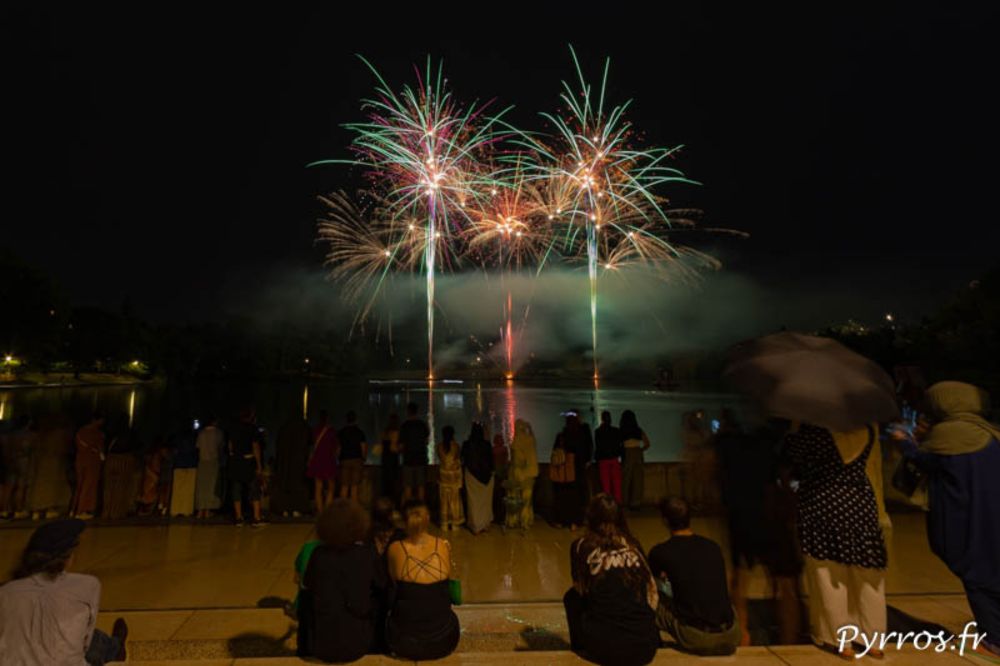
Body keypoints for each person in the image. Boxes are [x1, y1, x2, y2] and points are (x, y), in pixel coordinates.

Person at [890, 381, 1000, 656]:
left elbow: (925, 462)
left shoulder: (947, 435)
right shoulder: (990, 433)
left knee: (973, 571)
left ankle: (992, 638)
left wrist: (906, 444)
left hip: (963, 516)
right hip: (992, 514)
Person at [783, 422, 887, 658]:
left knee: (828, 575)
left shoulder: (813, 432)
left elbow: (792, 457)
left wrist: (795, 429)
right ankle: (874, 640)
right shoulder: (867, 428)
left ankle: (840, 640)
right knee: (868, 574)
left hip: (823, 502)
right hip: (860, 501)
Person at [716, 412, 801, 645]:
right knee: (785, 583)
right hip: (772, 516)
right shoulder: (776, 440)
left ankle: (743, 635)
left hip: (742, 514)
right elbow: (786, 478)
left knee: (740, 580)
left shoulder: (728, 443)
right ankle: (788, 638)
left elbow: (716, 477)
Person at [0, 518, 128, 665]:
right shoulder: (88, 585)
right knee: (84, 637)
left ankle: (114, 647)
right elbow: (85, 644)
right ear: (68, 558)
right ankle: (115, 647)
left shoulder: (5, 593)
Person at [563, 494, 659, 666]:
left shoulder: (581, 546)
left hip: (604, 650)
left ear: (590, 517)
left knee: (571, 598)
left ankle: (580, 647)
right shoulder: (633, 544)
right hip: (646, 648)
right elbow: (651, 591)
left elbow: (580, 588)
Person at [648, 497, 741, 655]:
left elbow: (653, 584)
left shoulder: (660, 552)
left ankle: (652, 643)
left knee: (652, 599)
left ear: (665, 520)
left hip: (696, 636)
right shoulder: (713, 547)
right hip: (731, 633)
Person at [299, 499, 387, 662]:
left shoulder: (319, 554)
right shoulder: (366, 553)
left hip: (322, 644)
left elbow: (308, 585)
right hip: (358, 643)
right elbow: (382, 584)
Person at [385, 500, 460, 660]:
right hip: (444, 641)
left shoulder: (394, 549)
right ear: (428, 519)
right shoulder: (443, 545)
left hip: (404, 643)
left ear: (404, 522)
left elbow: (392, 581)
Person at [228, 409, 265, 527]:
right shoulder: (252, 429)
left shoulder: (233, 428)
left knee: (236, 489)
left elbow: (230, 446)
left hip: (235, 461)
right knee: (254, 489)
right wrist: (259, 465)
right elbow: (256, 447)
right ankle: (256, 517)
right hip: (248, 461)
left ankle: (239, 517)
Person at [271, 413, 312, 517]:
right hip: (298, 463)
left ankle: (284, 509)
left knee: (285, 486)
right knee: (298, 486)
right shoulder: (303, 429)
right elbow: (308, 445)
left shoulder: (284, 429)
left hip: (284, 464)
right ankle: (297, 509)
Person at [71, 412, 105, 520]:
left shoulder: (80, 432)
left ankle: (74, 509)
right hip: (92, 461)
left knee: (80, 485)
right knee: (89, 485)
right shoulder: (98, 434)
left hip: (80, 460)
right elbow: (99, 449)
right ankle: (83, 510)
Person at [461, 422, 494, 534]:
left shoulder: (466, 444)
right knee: (485, 502)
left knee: (473, 502)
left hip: (471, 475)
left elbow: (463, 459)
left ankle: (475, 525)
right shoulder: (487, 444)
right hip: (486, 477)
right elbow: (491, 461)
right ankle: (485, 524)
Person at [506, 418, 539, 530]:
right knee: (527, 501)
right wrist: (530, 428)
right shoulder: (530, 440)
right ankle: (526, 522)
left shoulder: (516, 441)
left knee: (514, 498)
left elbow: (515, 460)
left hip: (517, 474)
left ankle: (513, 521)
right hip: (530, 474)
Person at [2, 415, 36, 520]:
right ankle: (18, 510)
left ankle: (4, 509)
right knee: (20, 487)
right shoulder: (28, 436)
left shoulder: (10, 435)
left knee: (9, 487)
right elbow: (27, 449)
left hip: (10, 461)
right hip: (22, 461)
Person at [306, 410, 338, 513]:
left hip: (317, 461)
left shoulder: (315, 431)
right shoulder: (331, 431)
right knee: (331, 487)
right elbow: (336, 448)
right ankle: (327, 511)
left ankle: (320, 511)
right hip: (328, 460)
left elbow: (311, 446)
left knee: (318, 488)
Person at [550, 427, 581, 529]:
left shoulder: (556, 452)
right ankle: (572, 523)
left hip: (559, 480)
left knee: (560, 501)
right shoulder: (572, 453)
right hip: (570, 479)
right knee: (571, 501)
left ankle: (560, 521)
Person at [399, 402, 431, 502]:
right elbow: (426, 441)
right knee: (421, 485)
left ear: (408, 412)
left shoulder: (404, 426)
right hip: (421, 459)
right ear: (417, 411)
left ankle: (409, 509)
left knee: (408, 485)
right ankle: (421, 507)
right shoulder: (422, 425)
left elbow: (401, 445)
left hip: (408, 460)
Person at [194, 415, 225, 518]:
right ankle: (208, 510)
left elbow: (198, 447)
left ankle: (200, 510)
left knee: (202, 486)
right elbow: (220, 447)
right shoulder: (218, 433)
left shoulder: (201, 433)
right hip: (213, 461)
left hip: (202, 461)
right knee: (211, 485)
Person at [620, 410, 650, 511]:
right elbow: (647, 443)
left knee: (626, 479)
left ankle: (624, 502)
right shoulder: (638, 430)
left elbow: (619, 444)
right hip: (638, 453)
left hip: (627, 453)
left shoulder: (622, 430)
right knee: (638, 479)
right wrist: (641, 450)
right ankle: (636, 502)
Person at [436, 425, 464, 530]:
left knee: (443, 500)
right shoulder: (456, 446)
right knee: (455, 500)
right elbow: (457, 458)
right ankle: (455, 523)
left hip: (443, 475)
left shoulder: (439, 446)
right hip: (454, 476)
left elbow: (441, 458)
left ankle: (444, 523)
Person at [169, 421, 199, 517]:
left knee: (178, 488)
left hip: (179, 463)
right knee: (188, 489)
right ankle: (187, 510)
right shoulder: (194, 437)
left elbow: (175, 450)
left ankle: (175, 509)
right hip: (191, 464)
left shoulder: (177, 438)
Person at [595, 410, 624, 504]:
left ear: (602, 419)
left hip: (603, 460)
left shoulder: (598, 431)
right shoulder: (616, 431)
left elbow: (598, 446)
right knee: (617, 485)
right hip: (614, 459)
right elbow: (620, 444)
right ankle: (618, 504)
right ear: (610, 419)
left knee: (606, 486)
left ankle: (607, 506)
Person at [337, 411, 368, 501]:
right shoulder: (360, 432)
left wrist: (338, 458)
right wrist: (364, 458)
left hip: (344, 460)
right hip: (357, 460)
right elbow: (363, 447)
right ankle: (353, 511)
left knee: (344, 486)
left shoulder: (341, 432)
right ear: (355, 419)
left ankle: (342, 510)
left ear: (346, 420)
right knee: (354, 488)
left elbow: (338, 448)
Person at [380, 413, 401, 503]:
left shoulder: (385, 432)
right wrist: (401, 448)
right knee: (393, 482)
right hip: (392, 460)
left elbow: (382, 447)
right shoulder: (395, 432)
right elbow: (393, 448)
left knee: (386, 482)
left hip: (385, 460)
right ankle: (394, 503)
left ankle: (385, 502)